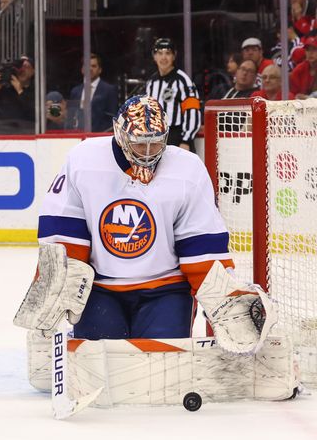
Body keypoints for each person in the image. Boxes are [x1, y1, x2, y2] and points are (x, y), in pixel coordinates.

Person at [34, 95, 235, 341]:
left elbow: (202, 246)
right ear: (120, 134)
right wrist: (55, 285)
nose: (149, 152)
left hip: (167, 289)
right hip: (99, 288)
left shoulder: (188, 169)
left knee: (162, 371)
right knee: (100, 370)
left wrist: (225, 301)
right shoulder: (83, 160)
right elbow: (64, 229)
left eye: (156, 143)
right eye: (140, 143)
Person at [144, 38, 201, 152]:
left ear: (174, 56)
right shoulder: (151, 82)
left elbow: (192, 111)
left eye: (168, 53)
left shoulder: (183, 81)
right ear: (154, 56)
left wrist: (186, 140)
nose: (163, 57)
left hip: (177, 138)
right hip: (156, 138)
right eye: (159, 53)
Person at [69, 53, 119, 132]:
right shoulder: (75, 91)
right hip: (78, 136)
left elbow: (112, 118)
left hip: (100, 138)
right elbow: (71, 117)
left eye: (93, 66)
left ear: (100, 70)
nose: (90, 69)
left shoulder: (109, 90)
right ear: (82, 69)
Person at [0, 55, 35, 122]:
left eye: (26, 67)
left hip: (25, 130)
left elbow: (34, 116)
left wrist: (20, 91)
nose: (22, 70)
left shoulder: (37, 91)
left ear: (33, 71)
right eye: (19, 67)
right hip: (3, 130)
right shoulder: (5, 90)